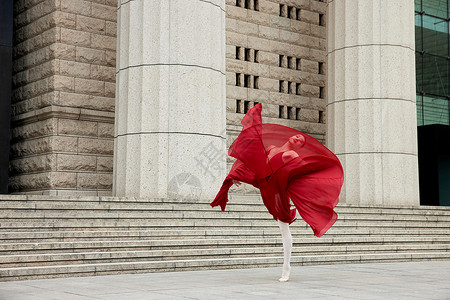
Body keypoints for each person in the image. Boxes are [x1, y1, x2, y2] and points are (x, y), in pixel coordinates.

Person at [211, 103, 344, 282]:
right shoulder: (272, 148)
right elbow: (258, 165)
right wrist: (240, 177)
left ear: (298, 147)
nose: (298, 138)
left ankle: (286, 267)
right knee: (245, 164)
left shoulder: (293, 156)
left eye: (300, 141)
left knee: (283, 228)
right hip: (265, 185)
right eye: (297, 136)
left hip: (278, 192)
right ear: (290, 137)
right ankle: (290, 213)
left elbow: (300, 171)